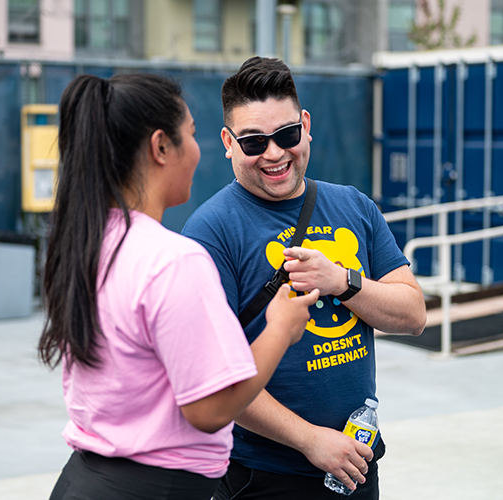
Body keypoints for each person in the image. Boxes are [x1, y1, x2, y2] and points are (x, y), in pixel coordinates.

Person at [38, 73, 319, 500]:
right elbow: (209, 410)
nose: (197, 150)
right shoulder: (173, 259)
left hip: (86, 480)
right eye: (190, 134)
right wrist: (281, 327)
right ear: (160, 147)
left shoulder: (91, 242)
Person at [181, 57, 427, 499]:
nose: (274, 153)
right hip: (261, 477)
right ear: (227, 142)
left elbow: (413, 314)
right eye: (254, 142)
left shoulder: (354, 206)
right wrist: (310, 440)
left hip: (354, 465)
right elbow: (215, 378)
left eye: (286, 135)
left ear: (306, 125)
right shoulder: (211, 231)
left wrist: (343, 280)